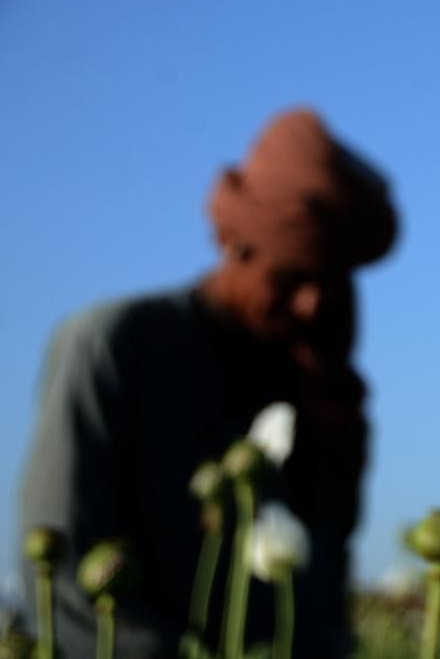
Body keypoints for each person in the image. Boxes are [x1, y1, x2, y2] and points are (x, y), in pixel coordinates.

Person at [19, 108, 398, 657]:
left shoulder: (320, 391)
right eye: (293, 276)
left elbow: (323, 591)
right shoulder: (111, 345)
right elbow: (64, 581)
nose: (311, 305)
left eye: (332, 282)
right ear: (231, 241)